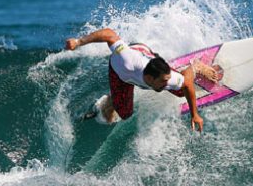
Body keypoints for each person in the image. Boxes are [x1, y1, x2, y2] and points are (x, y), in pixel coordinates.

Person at [64, 28, 218, 132]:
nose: (167, 84)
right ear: (150, 78)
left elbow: (188, 84)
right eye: (163, 81)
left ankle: (195, 66)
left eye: (167, 80)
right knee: (124, 113)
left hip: (146, 59)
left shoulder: (168, 80)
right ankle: (111, 101)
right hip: (122, 70)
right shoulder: (125, 60)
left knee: (181, 90)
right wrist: (78, 42)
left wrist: (194, 114)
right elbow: (109, 34)